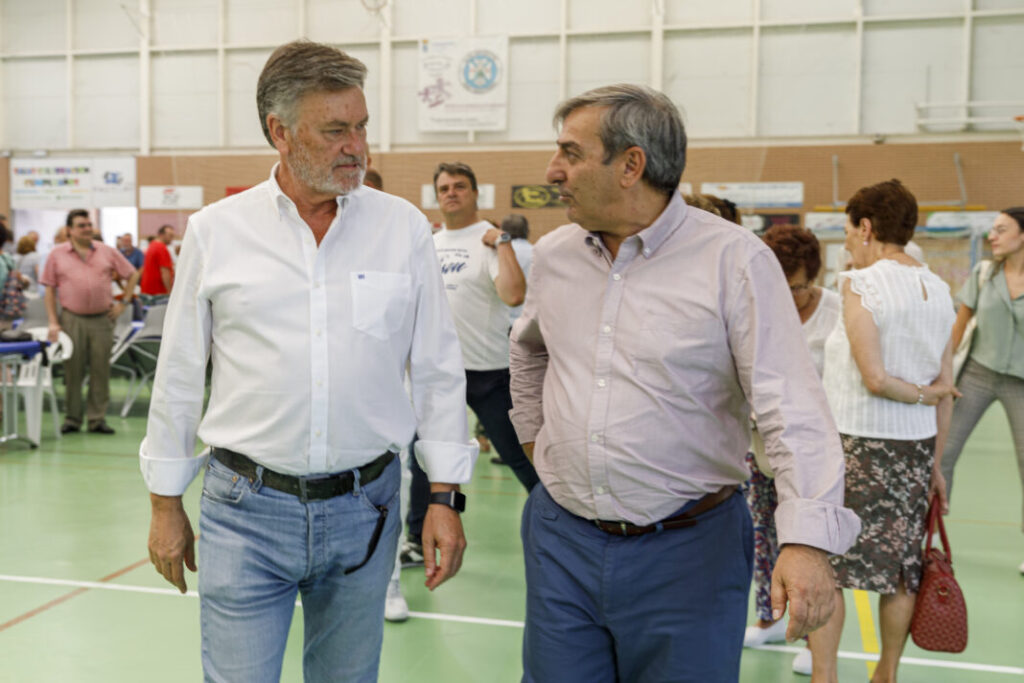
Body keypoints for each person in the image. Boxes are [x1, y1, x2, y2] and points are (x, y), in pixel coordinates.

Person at [141, 40, 476, 683]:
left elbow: (437, 368)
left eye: (362, 126)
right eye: (335, 130)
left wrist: (445, 496)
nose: (357, 147)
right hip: (244, 509)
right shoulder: (216, 230)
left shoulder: (402, 228)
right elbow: (179, 373)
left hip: (367, 508)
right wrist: (164, 503)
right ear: (280, 132)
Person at [509, 83, 860, 682]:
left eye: (570, 152)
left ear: (631, 165)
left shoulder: (735, 261)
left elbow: (791, 406)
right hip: (561, 541)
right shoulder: (555, 255)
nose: (553, 171)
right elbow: (528, 349)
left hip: (689, 551)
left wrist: (805, 541)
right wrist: (535, 440)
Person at [812, 179, 955, 683]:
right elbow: (946, 388)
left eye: (849, 230)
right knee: (901, 570)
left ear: (867, 228)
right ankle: (886, 673)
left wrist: (918, 394)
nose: (849, 241)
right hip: (914, 451)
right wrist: (936, 464)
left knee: (828, 565)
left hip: (855, 447)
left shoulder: (859, 283)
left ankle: (824, 676)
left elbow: (875, 378)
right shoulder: (940, 290)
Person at [743, 226, 840, 676]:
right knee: (762, 538)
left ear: (813, 278)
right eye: (779, 287)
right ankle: (768, 617)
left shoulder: (835, 312)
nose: (789, 297)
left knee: (810, 546)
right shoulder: (755, 309)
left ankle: (812, 636)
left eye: (798, 287)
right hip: (760, 447)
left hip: (812, 453)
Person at [430, 161, 538, 491]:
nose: (451, 193)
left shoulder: (490, 239)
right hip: (440, 373)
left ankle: (554, 517)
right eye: (444, 188)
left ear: (476, 193)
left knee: (520, 457)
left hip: (487, 372)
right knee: (428, 465)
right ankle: (421, 526)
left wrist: (503, 242)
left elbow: (513, 295)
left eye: (459, 186)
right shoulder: (430, 243)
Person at [940, 207, 1024, 575]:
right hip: (976, 374)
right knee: (943, 453)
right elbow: (959, 327)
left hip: (1020, 381)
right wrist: (943, 375)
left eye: (1002, 229)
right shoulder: (984, 272)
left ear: (1022, 236)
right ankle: (930, 536)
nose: (992, 236)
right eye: (993, 229)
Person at [40, 209, 140, 435]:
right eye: (81, 225)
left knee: (100, 370)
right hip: (71, 319)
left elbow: (132, 274)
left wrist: (124, 303)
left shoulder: (107, 251)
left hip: (102, 319)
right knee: (72, 370)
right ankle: (72, 419)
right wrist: (53, 322)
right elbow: (49, 289)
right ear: (70, 230)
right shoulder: (57, 254)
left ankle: (97, 419)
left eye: (89, 224)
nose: (87, 229)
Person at [502, 213, 533, 326]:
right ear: (527, 230)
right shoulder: (536, 253)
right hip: (528, 319)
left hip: (503, 319)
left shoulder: (498, 253)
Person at [139, 224, 175, 305]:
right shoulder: (161, 248)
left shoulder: (152, 245)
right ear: (161, 235)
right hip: (158, 293)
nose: (172, 238)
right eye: (170, 235)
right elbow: (165, 273)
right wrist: (170, 292)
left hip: (147, 291)